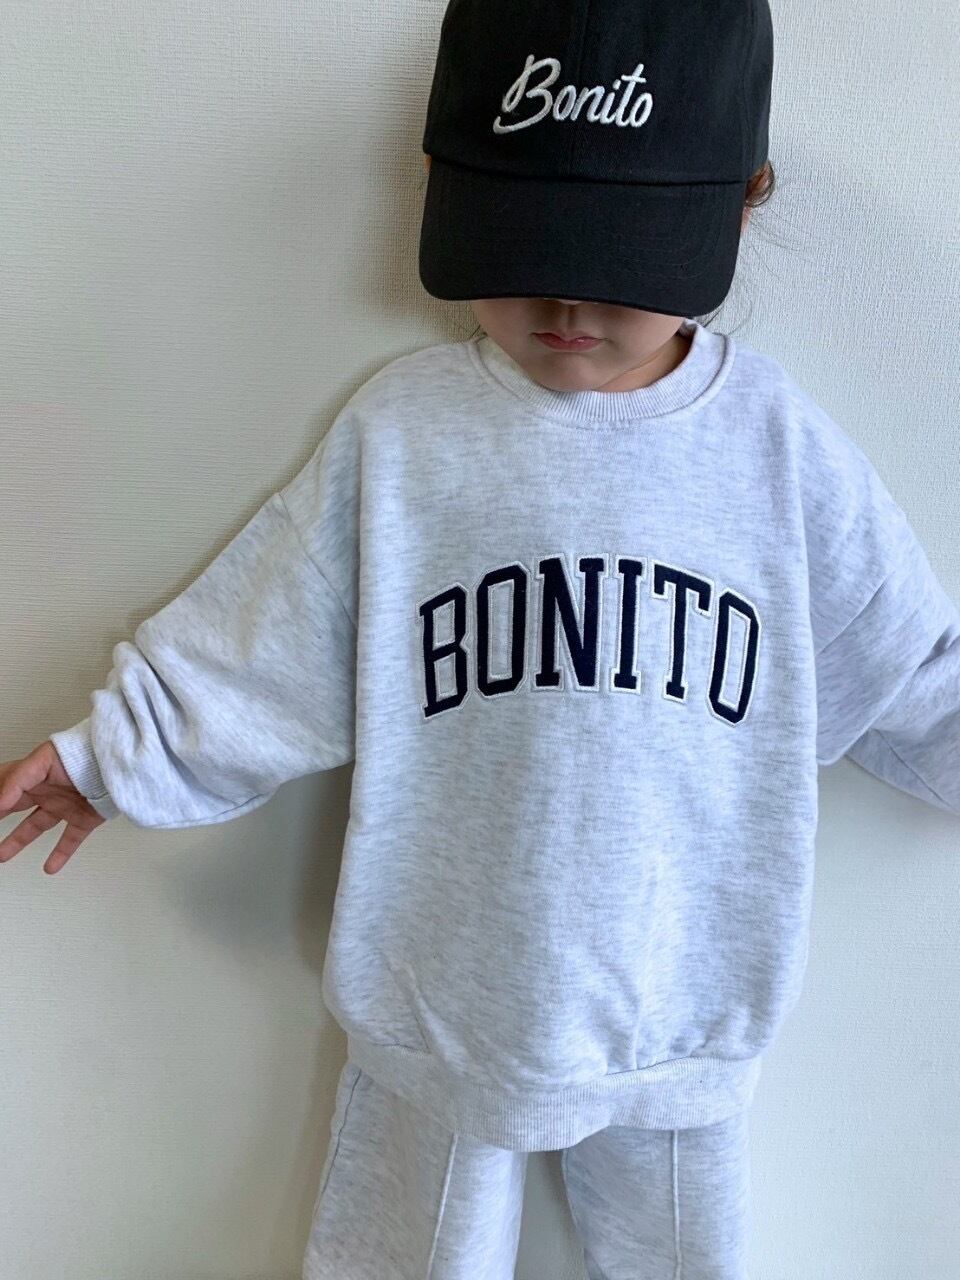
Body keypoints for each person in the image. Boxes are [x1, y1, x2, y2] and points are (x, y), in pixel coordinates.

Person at [1, 0, 957, 1276]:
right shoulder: (407, 434)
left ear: (741, 203)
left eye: (615, 262)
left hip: (685, 1008)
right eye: (524, 249)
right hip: (439, 998)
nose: (564, 303)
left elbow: (907, 663)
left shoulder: (777, 451)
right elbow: (272, 632)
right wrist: (115, 753)